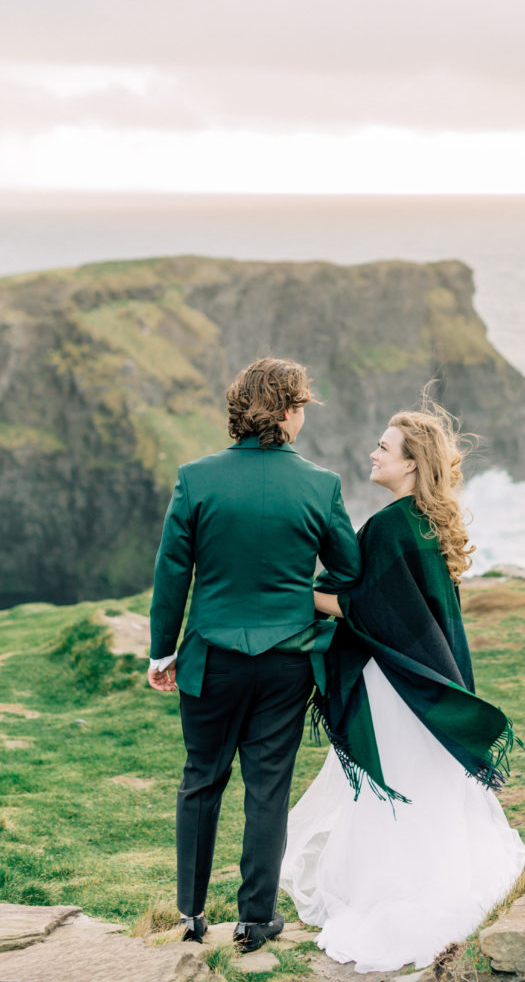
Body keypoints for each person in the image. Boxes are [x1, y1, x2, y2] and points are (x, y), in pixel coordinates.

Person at [280, 404, 525, 974]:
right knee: (425, 785)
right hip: (421, 683)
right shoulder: (424, 522)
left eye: (383, 448)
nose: (372, 453)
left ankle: (404, 895)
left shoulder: (393, 525)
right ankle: (448, 880)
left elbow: (362, 608)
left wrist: (291, 592)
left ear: (411, 465)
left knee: (397, 791)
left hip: (394, 684)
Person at [147, 357, 361, 952]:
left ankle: (190, 913)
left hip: (210, 656)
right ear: (289, 413)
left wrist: (162, 652)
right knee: (268, 786)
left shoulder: (195, 479)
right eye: (301, 408)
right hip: (287, 661)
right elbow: (348, 571)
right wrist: (295, 592)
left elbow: (172, 574)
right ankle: (255, 918)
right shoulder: (321, 485)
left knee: (200, 780)